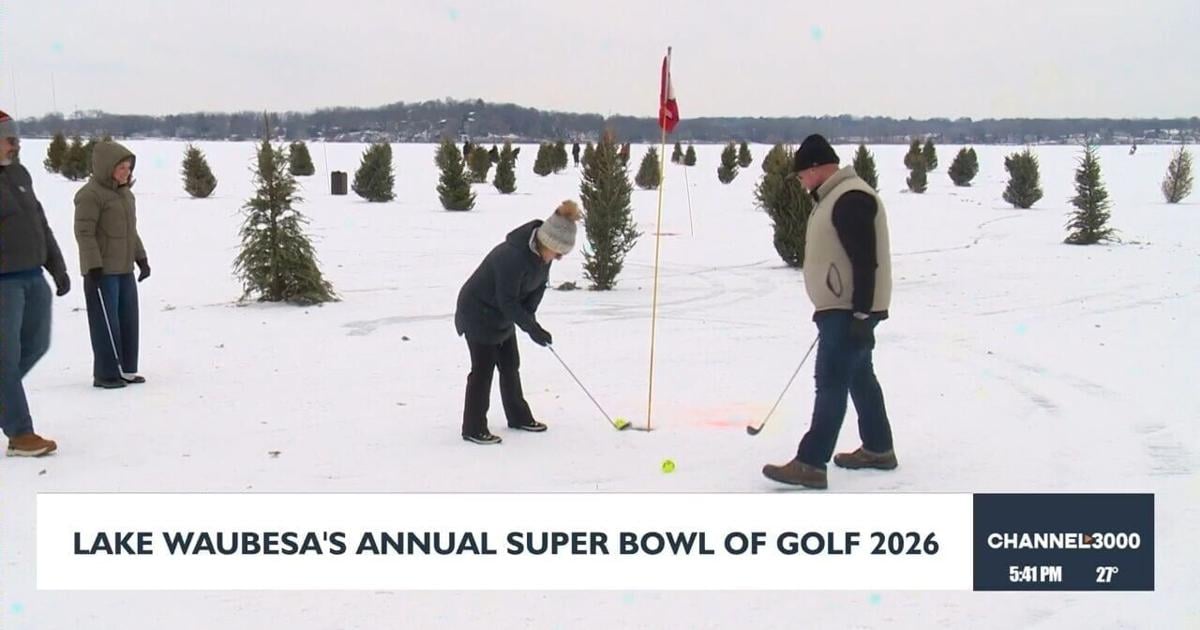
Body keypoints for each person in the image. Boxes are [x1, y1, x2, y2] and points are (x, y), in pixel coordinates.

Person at [763, 134, 897, 489]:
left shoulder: (850, 198)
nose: (801, 182)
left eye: (801, 175)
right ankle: (879, 448)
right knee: (859, 377)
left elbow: (866, 261)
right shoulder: (837, 195)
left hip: (849, 309)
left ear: (816, 168)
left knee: (831, 382)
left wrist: (861, 315)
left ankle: (811, 461)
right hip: (844, 308)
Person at [454, 200, 581, 444]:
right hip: (477, 312)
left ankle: (518, 417)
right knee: (483, 371)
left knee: (511, 364)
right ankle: (473, 427)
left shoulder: (543, 257)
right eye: (558, 252)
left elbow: (537, 289)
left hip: (501, 315)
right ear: (548, 243)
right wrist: (531, 328)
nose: (559, 258)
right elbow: (508, 301)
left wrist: (531, 319)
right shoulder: (512, 256)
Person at [0, 110, 70, 456]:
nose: (15, 144)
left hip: (33, 277)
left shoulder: (19, 173)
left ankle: (5, 401)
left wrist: (57, 266)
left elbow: (38, 221)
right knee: (4, 359)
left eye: (16, 138)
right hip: (3, 284)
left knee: (37, 345)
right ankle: (20, 433)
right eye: (9, 138)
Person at [73, 140, 151, 389]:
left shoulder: (125, 195)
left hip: (124, 269)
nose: (126, 172)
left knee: (128, 320)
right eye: (121, 168)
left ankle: (126, 369)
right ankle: (106, 374)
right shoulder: (90, 195)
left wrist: (141, 258)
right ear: (107, 167)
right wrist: (93, 264)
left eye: (128, 168)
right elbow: (84, 232)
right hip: (102, 272)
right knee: (106, 323)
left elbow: (131, 231)